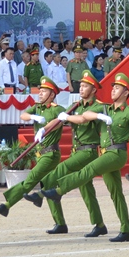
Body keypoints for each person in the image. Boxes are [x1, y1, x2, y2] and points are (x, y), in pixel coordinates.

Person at [41, 73, 129, 242]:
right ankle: (126, 230)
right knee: (116, 193)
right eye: (113, 87)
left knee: (89, 169)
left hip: (117, 153)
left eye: (117, 88)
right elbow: (85, 116)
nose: (113, 90)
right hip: (105, 153)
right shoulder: (105, 109)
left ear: (125, 93)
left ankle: (58, 191)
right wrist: (79, 117)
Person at [25, 70, 107, 236]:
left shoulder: (97, 106)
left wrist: (67, 117)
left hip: (88, 151)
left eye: (85, 86)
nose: (81, 88)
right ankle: (99, 225)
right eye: (81, 85)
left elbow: (82, 119)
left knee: (60, 170)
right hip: (77, 150)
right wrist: (44, 129)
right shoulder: (75, 105)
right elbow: (59, 120)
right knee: (86, 190)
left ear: (93, 90)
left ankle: (42, 193)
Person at [0, 77, 67, 218]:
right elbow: (23, 115)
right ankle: (60, 223)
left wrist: (44, 128)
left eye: (44, 91)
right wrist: (34, 117)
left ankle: (7, 204)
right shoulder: (37, 107)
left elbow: (59, 122)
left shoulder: (58, 109)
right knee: (48, 187)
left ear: (52, 95)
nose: (40, 93)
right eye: (40, 91)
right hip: (40, 153)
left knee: (31, 179)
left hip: (51, 153)